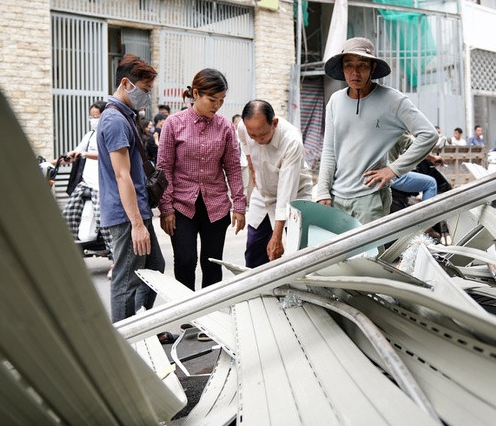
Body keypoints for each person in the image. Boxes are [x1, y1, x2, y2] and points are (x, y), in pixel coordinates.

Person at [315, 37, 438, 225]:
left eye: (362, 65)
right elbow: (329, 151)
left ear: (373, 68)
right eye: (348, 65)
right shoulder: (335, 101)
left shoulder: (393, 100)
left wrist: (394, 169)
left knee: (369, 255)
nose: (355, 72)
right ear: (342, 68)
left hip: (370, 198)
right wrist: (323, 191)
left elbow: (429, 135)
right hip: (337, 196)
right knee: (340, 254)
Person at [158, 68, 246, 290]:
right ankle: (186, 317)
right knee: (185, 261)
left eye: (222, 100)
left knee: (212, 263)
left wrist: (239, 205)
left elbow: (233, 168)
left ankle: (210, 317)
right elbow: (164, 168)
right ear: (195, 94)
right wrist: (166, 209)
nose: (217, 105)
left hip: (215, 205)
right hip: (181, 205)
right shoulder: (173, 123)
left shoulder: (225, 126)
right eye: (212, 99)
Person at [96, 54, 165, 323]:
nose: (147, 96)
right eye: (145, 90)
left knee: (154, 266)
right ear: (126, 84)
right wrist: (137, 224)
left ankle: (142, 324)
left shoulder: (124, 116)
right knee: (126, 279)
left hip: (137, 210)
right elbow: (122, 175)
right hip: (127, 215)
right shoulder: (114, 121)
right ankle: (125, 345)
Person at [237, 99, 313, 267]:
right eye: (253, 136)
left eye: (263, 135)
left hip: (295, 195)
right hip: (263, 193)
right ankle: (256, 290)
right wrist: (251, 167)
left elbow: (286, 193)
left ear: (275, 123)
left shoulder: (291, 141)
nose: (257, 140)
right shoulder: (243, 127)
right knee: (254, 249)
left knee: (296, 252)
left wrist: (277, 236)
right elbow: (244, 141)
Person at [61, 100, 112, 249]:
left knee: (105, 222)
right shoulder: (89, 135)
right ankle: (68, 249)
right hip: (85, 183)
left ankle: (115, 257)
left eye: (97, 116)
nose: (93, 120)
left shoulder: (107, 134)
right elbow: (79, 150)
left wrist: (85, 154)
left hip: (100, 185)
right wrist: (70, 156)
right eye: (91, 116)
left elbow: (106, 154)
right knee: (69, 214)